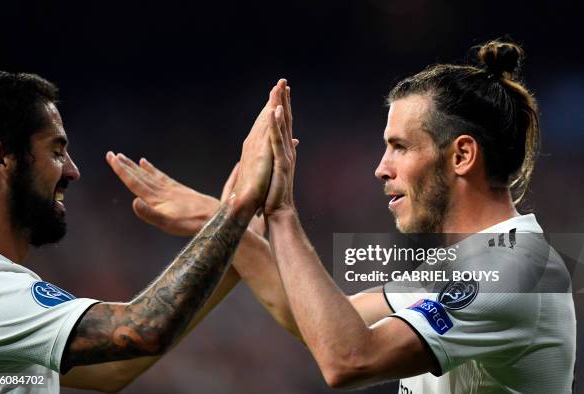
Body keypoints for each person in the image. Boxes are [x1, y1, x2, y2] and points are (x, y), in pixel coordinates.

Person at [111, 40, 576, 393]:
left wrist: (281, 212)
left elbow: (349, 358)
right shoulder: (476, 263)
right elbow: (326, 321)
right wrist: (225, 219)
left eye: (399, 146)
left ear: (461, 156)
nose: (381, 168)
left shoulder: (514, 271)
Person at [0, 63, 290, 393]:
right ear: (1, 157)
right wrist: (236, 210)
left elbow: (112, 369)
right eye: (56, 151)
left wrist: (236, 245)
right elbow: (142, 328)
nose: (72, 170)